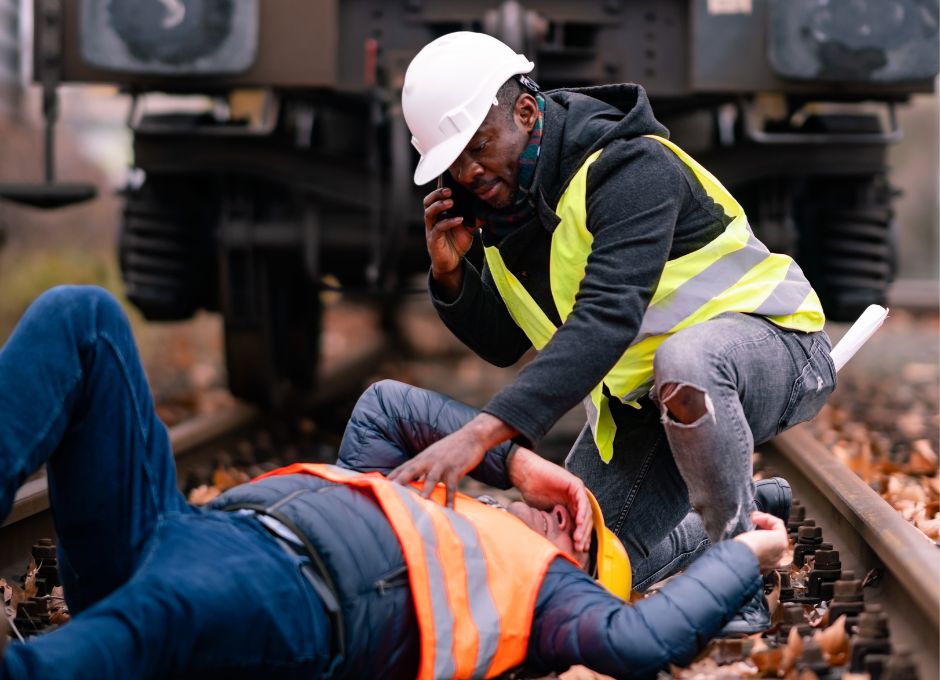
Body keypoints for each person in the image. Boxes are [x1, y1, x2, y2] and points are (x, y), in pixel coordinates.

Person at [0, 285, 789, 679]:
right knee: (84, 316)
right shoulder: (431, 509)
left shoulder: (540, 602)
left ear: (576, 575)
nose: (560, 517)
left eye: (574, 535)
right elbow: (385, 407)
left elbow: (641, 639)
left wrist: (748, 551)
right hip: (173, 535)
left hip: (271, 599)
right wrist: (515, 458)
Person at [394, 31, 836, 631]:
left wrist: (480, 434)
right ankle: (748, 511)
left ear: (525, 111)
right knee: (573, 567)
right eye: (454, 164)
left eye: (479, 147)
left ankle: (739, 579)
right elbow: (504, 343)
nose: (470, 173)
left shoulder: (630, 164)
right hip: (648, 405)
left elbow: (608, 315)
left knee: (688, 359)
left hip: (776, 350)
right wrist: (450, 276)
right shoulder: (506, 212)